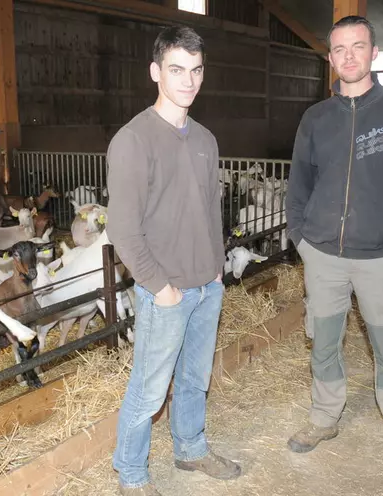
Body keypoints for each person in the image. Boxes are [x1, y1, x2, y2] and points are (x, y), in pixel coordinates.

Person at [285, 15, 383, 482]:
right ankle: (324, 416)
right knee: (323, 342)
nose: (348, 55)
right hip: (323, 256)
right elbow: (299, 184)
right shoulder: (315, 118)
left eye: (358, 46)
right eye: (339, 48)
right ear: (330, 58)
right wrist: (301, 239)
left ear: (374, 52)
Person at [105, 25, 242, 495]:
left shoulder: (205, 138)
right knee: (149, 387)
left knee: (194, 378)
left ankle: (190, 448)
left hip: (207, 284)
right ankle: (132, 472)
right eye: (177, 69)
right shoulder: (133, 139)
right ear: (155, 72)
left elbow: (209, 206)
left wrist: (217, 265)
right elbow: (122, 228)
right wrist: (159, 286)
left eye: (196, 70)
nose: (188, 80)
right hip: (165, 288)